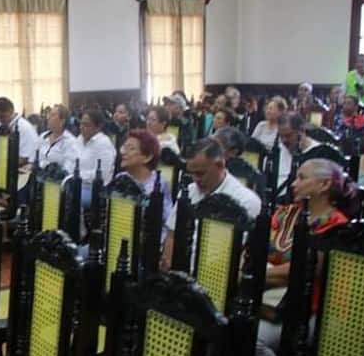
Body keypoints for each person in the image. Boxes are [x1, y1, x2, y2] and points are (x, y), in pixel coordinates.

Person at [254, 159, 352, 356]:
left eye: (302, 177)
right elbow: (254, 249)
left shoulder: (337, 225)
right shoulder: (285, 214)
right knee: (221, 320)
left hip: (307, 307)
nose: (294, 184)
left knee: (254, 339)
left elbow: (304, 270)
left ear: (324, 184)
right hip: (268, 295)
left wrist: (255, 273)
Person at [160, 138, 262, 271]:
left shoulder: (246, 200)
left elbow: (238, 254)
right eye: (192, 173)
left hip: (217, 273)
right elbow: (172, 233)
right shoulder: (189, 191)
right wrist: (168, 265)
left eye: (200, 173)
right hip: (181, 270)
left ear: (220, 165)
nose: (195, 179)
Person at [117, 129, 173, 241]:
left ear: (147, 157)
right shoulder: (120, 178)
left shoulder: (158, 185)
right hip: (118, 237)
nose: (123, 152)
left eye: (131, 148)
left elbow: (167, 223)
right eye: (124, 147)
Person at [0, 97, 39, 174]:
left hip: (20, 170)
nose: (1, 120)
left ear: (11, 111)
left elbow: (24, 158)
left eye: (2, 116)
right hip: (0, 169)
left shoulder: (25, 128)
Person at [75, 108, 116, 208]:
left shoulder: (103, 143)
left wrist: (78, 175)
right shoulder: (79, 139)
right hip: (76, 184)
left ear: (98, 127)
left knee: (68, 198)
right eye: (81, 124)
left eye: (86, 125)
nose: (81, 127)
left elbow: (103, 175)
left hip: (94, 189)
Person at [276, 112, 320, 195]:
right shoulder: (278, 150)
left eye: (288, 135)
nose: (284, 140)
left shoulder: (318, 153)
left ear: (302, 130)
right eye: (281, 136)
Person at [37, 104, 77, 174]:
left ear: (62, 121)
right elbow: (36, 159)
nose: (48, 117)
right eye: (49, 114)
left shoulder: (71, 142)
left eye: (52, 115)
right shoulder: (43, 136)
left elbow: (68, 169)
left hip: (55, 180)